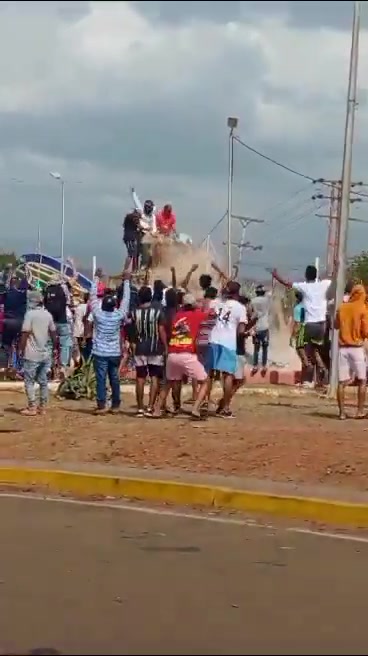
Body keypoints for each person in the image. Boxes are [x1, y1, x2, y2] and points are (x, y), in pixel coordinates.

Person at [272, 265, 332, 388]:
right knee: (316, 350)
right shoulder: (324, 284)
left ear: (306, 275)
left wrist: (276, 276)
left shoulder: (304, 287)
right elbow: (334, 278)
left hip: (309, 324)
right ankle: (322, 375)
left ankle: (308, 374)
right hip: (322, 325)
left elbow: (287, 284)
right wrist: (336, 266)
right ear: (316, 275)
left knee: (302, 349)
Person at [153, 293, 209, 420]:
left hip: (173, 353)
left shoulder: (177, 316)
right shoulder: (197, 314)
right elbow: (210, 314)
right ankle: (195, 409)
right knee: (205, 381)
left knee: (167, 383)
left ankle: (157, 410)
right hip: (187, 353)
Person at [91, 268, 130, 415]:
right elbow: (126, 300)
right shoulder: (118, 315)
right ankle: (115, 404)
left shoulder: (98, 314)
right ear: (114, 305)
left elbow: (92, 297)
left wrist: (96, 279)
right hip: (114, 352)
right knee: (114, 377)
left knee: (101, 378)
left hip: (100, 352)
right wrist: (126, 281)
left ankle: (102, 404)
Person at [207, 281, 247, 418]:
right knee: (228, 375)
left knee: (209, 374)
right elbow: (241, 331)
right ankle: (225, 408)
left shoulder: (216, 303)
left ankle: (203, 402)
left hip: (213, 339)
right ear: (237, 293)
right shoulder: (240, 308)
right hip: (228, 343)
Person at [18, 290, 57, 416]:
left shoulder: (30, 314)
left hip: (32, 354)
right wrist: (54, 348)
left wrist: (21, 349)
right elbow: (53, 333)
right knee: (43, 381)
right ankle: (42, 407)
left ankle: (32, 407)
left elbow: (25, 333)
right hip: (45, 353)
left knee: (29, 381)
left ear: (32, 301)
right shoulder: (48, 314)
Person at [131, 286, 167, 416]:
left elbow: (133, 331)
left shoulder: (135, 312)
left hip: (140, 348)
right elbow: (161, 330)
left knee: (140, 378)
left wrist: (132, 344)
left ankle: (140, 407)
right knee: (154, 377)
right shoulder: (157, 312)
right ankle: (150, 407)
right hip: (154, 348)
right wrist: (165, 346)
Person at [335, 284, 368, 420]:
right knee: (362, 380)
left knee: (342, 382)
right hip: (357, 348)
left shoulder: (342, 307)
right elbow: (366, 331)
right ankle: (360, 411)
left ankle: (342, 413)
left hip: (342, 349)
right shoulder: (363, 309)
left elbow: (336, 325)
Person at [43, 277, 71, 378]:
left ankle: (47, 367)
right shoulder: (63, 289)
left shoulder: (47, 290)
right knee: (65, 343)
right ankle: (63, 366)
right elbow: (68, 301)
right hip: (62, 320)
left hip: (50, 322)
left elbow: (44, 304)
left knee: (49, 344)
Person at [250, 283, 271, 375]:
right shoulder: (267, 300)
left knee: (256, 348)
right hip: (265, 327)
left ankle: (255, 365)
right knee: (265, 347)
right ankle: (264, 365)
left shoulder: (252, 301)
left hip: (256, 327)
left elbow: (251, 313)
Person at [290, 291, 308, 381]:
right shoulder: (307, 307)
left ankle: (306, 379)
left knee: (301, 353)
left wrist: (292, 336)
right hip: (310, 331)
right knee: (306, 354)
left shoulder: (297, 308)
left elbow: (297, 323)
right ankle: (303, 379)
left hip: (302, 332)